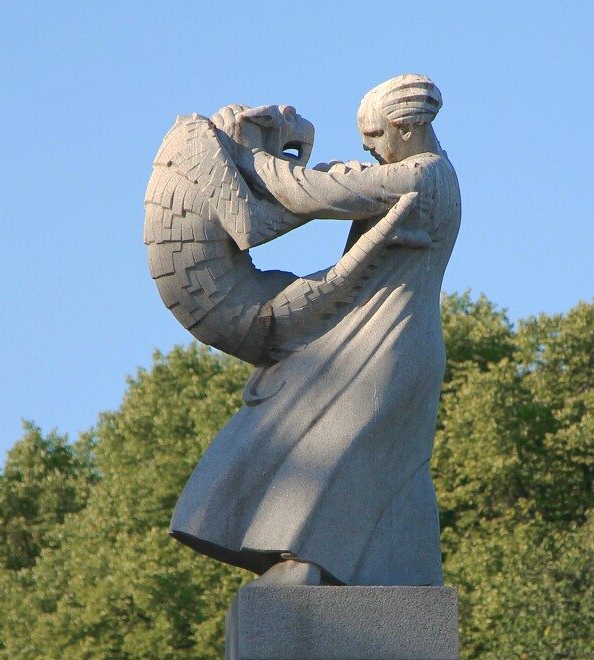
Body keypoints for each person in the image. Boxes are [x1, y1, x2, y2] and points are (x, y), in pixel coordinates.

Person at [169, 74, 461, 586]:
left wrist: (240, 155)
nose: (367, 147)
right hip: (361, 337)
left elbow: (310, 192)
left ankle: (307, 562)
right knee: (295, 432)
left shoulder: (423, 177)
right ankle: (350, 570)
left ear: (407, 127)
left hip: (389, 343)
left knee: (339, 451)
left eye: (374, 135)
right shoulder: (418, 173)